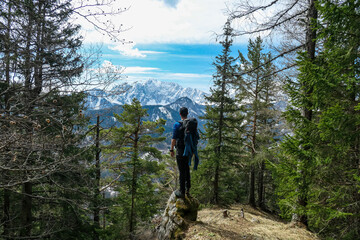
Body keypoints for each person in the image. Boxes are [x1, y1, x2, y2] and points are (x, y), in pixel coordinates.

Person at [170, 107, 190, 198]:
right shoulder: (191, 124)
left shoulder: (177, 124)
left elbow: (173, 139)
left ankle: (182, 191)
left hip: (180, 150)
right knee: (187, 169)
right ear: (187, 113)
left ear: (180, 114)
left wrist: (171, 150)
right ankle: (188, 189)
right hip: (189, 150)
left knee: (182, 171)